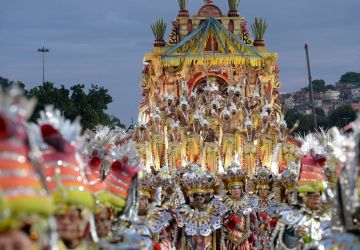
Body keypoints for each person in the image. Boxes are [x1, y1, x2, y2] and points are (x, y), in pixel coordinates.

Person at [221, 162, 252, 250]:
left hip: (243, 241)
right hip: (228, 241)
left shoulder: (247, 203)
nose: (236, 190)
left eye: (238, 187)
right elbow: (222, 225)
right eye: (233, 188)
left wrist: (245, 235)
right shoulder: (223, 203)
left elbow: (249, 225)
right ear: (229, 190)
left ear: (242, 189)